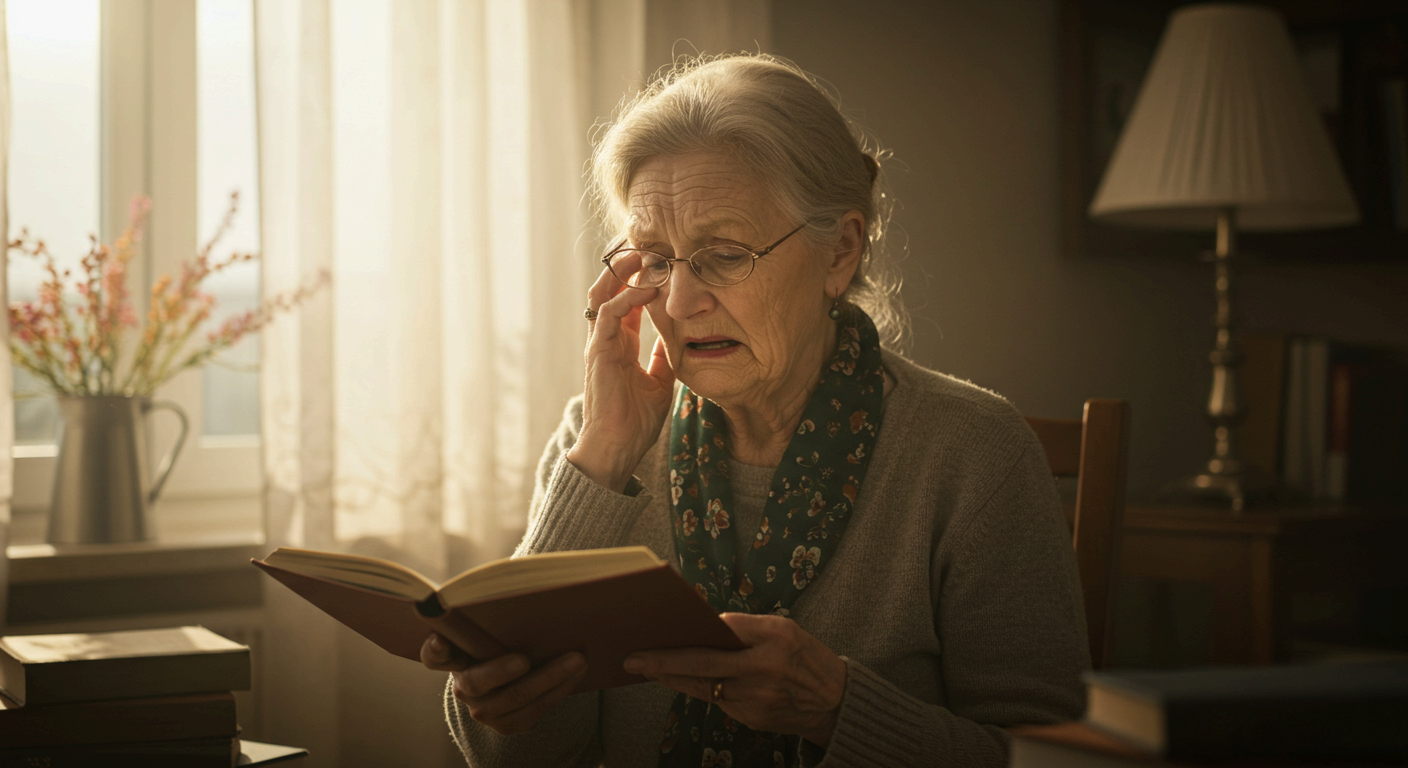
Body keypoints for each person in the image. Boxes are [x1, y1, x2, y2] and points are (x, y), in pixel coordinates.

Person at [421, 53, 1089, 768]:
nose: (677, 304)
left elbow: (1052, 758)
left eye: (724, 254)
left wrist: (835, 709)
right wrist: (604, 458)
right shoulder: (598, 444)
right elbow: (508, 759)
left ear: (840, 251)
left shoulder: (972, 453)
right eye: (654, 259)